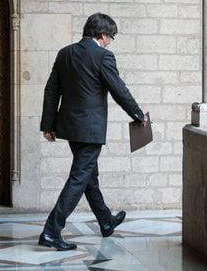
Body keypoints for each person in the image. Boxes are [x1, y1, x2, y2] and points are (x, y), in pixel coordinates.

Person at [39, 13, 146, 251]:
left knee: (88, 176)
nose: (110, 42)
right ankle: (50, 231)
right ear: (102, 35)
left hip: (69, 126)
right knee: (79, 178)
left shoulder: (64, 53)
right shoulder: (103, 56)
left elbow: (51, 90)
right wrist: (138, 115)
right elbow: (119, 89)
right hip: (90, 129)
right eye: (111, 37)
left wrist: (48, 124)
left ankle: (105, 221)